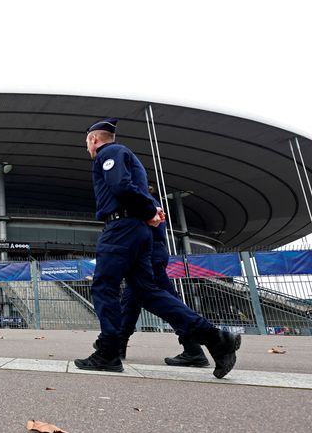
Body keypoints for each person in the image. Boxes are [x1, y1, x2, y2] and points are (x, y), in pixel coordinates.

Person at [77, 117, 240, 378]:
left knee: (104, 286)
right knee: (147, 292)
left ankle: (108, 352)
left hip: (121, 229)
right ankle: (215, 338)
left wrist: (149, 208)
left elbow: (119, 185)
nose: (88, 148)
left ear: (93, 139)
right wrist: (148, 209)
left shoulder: (110, 152)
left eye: (87, 143)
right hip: (137, 231)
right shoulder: (129, 158)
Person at [118, 186, 209, 367]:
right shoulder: (150, 203)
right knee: (130, 301)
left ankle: (198, 345)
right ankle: (117, 344)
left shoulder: (144, 204)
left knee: (167, 301)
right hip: (151, 253)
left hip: (149, 255)